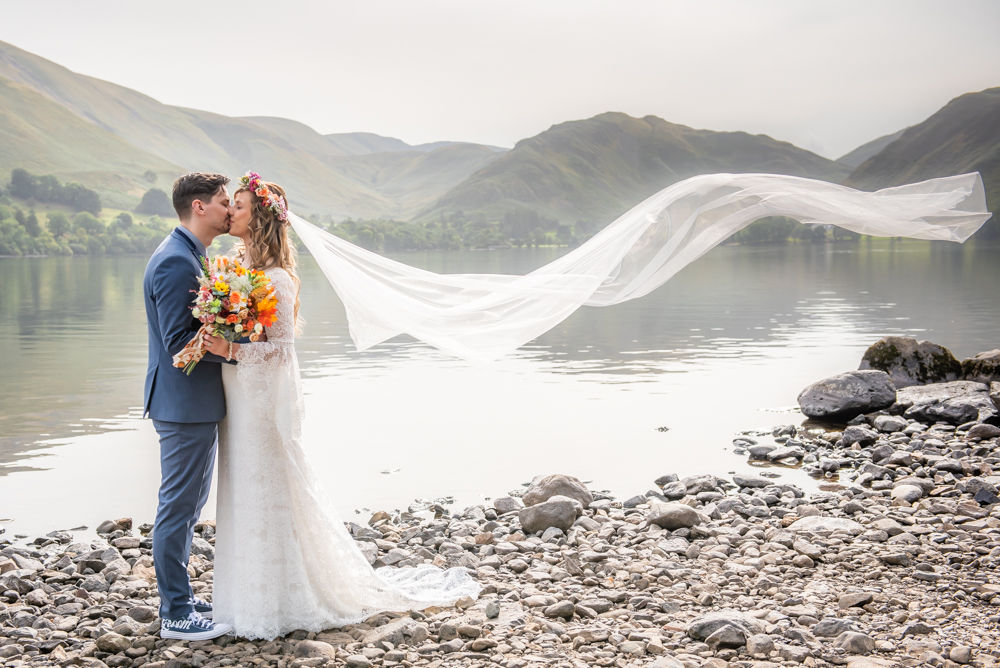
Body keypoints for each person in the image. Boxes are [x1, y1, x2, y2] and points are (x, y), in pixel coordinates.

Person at [202, 174, 481, 640]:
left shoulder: (275, 278)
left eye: (242, 206)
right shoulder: (237, 268)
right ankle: (241, 594)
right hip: (238, 392)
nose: (232, 211)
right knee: (241, 483)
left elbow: (282, 350)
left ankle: (279, 597)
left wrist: (229, 350)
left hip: (259, 396)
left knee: (266, 484)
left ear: (262, 218)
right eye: (232, 204)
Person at [142, 173, 235, 640]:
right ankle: (175, 614)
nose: (228, 210)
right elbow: (181, 344)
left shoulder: (190, 254)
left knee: (189, 505)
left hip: (192, 404)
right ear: (199, 207)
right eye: (222, 202)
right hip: (183, 405)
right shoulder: (177, 262)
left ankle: (180, 598)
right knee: (177, 508)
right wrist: (238, 343)